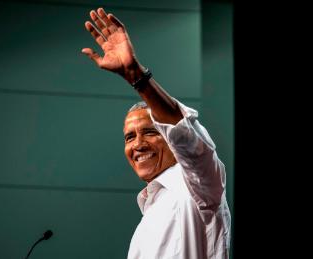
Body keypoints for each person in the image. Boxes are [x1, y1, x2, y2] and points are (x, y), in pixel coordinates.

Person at [81, 8, 231, 258]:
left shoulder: (197, 186)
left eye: (149, 132)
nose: (137, 144)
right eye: (129, 137)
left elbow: (189, 140)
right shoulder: (149, 216)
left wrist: (136, 76)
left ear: (170, 137)